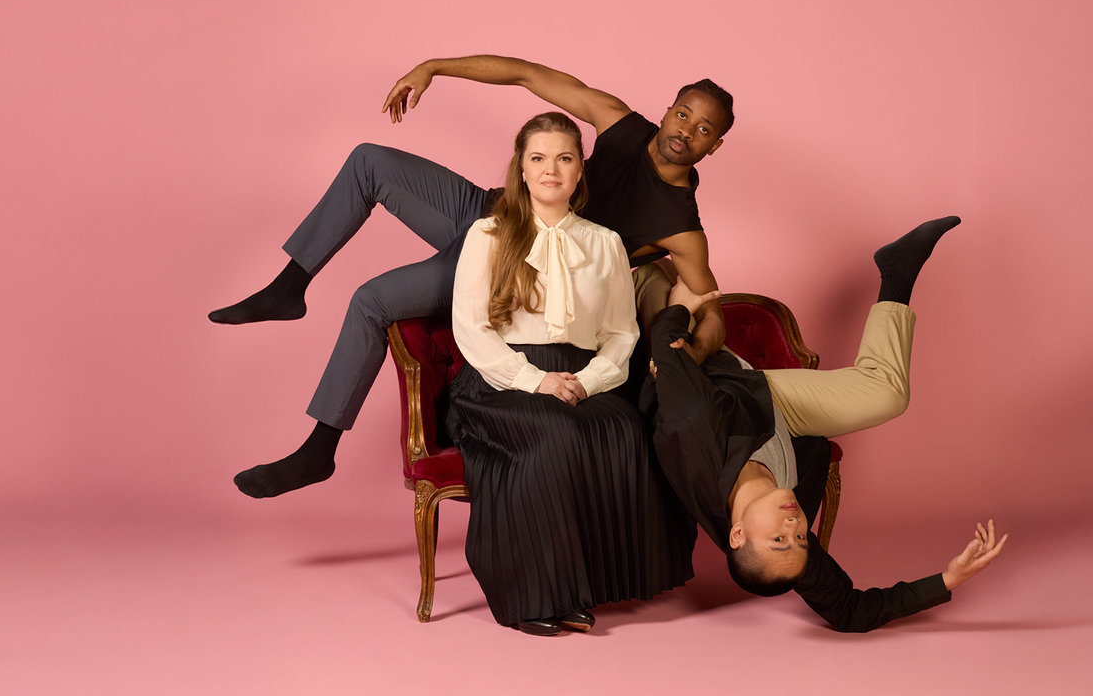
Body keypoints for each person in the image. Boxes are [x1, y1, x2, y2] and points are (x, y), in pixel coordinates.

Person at [215, 55, 738, 499]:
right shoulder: (620, 123)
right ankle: (289, 288)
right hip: (486, 210)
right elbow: (527, 74)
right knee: (369, 160)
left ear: (713, 146)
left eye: (703, 129)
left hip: (508, 258)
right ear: (668, 110)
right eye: (683, 114)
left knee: (370, 300)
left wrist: (690, 354)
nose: (685, 130)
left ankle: (319, 449)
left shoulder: (681, 227)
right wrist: (433, 67)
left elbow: (709, 306)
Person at [642, 216, 1009, 631]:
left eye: (779, 539)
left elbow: (669, 358)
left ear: (737, 534)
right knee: (888, 394)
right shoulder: (781, 518)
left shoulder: (697, 433)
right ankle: (898, 271)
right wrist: (949, 579)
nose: (794, 527)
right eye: (800, 538)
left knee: (667, 282)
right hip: (769, 413)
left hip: (717, 388)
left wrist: (678, 308)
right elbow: (850, 611)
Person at [444, 112, 692, 636]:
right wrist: (536, 380)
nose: (551, 170)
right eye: (538, 158)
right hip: (499, 379)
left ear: (580, 169)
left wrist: (588, 380)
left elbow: (621, 333)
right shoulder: (488, 233)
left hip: (579, 377)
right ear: (522, 168)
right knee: (555, 432)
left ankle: (583, 587)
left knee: (623, 429)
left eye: (564, 158)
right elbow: (470, 328)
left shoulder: (605, 242)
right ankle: (532, 595)